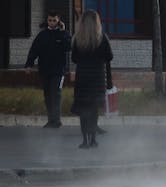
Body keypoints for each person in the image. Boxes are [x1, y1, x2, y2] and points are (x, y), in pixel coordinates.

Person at [70, 10, 113, 150]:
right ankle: (94, 139)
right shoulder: (102, 38)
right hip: (97, 79)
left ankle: (84, 141)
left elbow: (74, 59)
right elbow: (109, 57)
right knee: (93, 111)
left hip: (82, 79)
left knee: (83, 110)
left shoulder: (77, 39)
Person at [25, 10, 71, 128]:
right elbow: (34, 50)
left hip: (58, 71)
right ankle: (51, 120)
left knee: (56, 94)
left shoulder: (64, 34)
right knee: (47, 95)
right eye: (50, 20)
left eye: (54, 20)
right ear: (47, 21)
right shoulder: (42, 35)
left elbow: (68, 47)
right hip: (45, 70)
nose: (52, 23)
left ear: (58, 21)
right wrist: (29, 64)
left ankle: (57, 121)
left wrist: (63, 31)